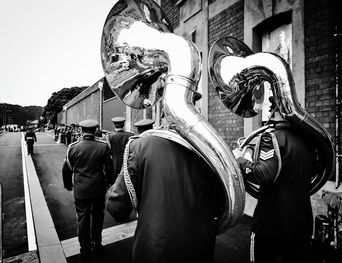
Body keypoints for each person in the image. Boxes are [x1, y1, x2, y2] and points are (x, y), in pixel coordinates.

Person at [106, 93, 224, 263]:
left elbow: (116, 207)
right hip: (200, 250)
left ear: (164, 114)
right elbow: (220, 207)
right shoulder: (212, 151)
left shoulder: (140, 145)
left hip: (155, 250)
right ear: (197, 111)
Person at [232, 97, 315, 263]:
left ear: (277, 109)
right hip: (301, 221)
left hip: (271, 223)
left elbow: (263, 174)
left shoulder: (272, 137)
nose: (269, 110)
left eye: (272, 107)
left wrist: (241, 160)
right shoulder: (308, 140)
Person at [62, 119, 114, 260]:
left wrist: (68, 184)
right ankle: (97, 243)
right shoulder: (103, 146)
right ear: (96, 129)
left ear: (81, 130)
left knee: (82, 219)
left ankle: (84, 248)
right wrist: (110, 182)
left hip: (81, 189)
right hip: (98, 188)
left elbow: (67, 169)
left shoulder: (73, 147)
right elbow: (109, 168)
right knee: (98, 216)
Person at [106, 117, 134, 182]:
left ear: (114, 125)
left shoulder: (109, 136)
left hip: (114, 165)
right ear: (123, 125)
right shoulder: (131, 135)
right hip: (128, 164)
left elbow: (109, 151)